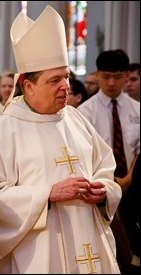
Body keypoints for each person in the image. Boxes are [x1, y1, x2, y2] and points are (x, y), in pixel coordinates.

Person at [0, 6, 122, 273]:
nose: (65, 86)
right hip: (39, 253)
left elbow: (105, 169)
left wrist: (103, 191)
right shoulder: (4, 131)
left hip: (89, 240)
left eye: (66, 77)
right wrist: (48, 194)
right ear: (28, 86)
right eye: (55, 80)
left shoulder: (76, 119)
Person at [79, 50, 140, 274]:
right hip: (101, 186)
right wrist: (111, 182)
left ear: (126, 75)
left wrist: (127, 179)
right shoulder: (84, 112)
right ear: (98, 75)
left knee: (135, 244)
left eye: (117, 76)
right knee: (111, 245)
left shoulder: (137, 109)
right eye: (105, 77)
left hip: (134, 186)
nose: (111, 82)